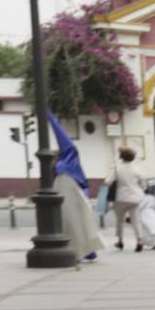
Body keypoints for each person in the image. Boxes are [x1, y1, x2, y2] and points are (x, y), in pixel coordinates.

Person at [46, 112, 103, 263]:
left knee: (75, 221)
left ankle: (84, 251)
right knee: (78, 221)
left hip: (70, 191)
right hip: (69, 191)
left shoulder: (69, 157)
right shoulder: (64, 163)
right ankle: (86, 251)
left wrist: (52, 119)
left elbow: (64, 139)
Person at [104, 147, 147, 252]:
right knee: (136, 220)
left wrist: (111, 171)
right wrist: (139, 189)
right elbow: (143, 184)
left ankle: (120, 241)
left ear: (121, 157)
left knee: (120, 220)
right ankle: (139, 241)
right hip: (135, 197)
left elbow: (107, 182)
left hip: (121, 197)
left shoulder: (117, 167)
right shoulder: (137, 167)